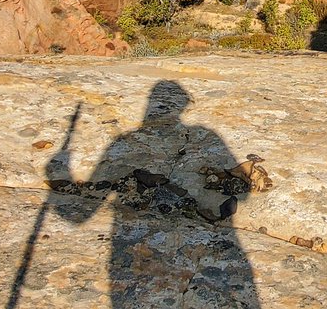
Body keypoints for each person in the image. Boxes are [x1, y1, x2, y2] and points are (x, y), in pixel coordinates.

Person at [45, 80, 261, 308]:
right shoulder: (204, 133)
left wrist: (59, 172)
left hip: (129, 264)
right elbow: (244, 196)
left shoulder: (123, 141)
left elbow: (78, 217)